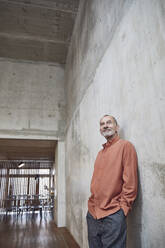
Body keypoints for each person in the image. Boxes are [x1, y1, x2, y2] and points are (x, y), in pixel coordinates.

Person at [87, 115, 138, 248]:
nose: (105, 125)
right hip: (93, 214)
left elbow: (130, 183)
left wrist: (122, 210)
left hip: (113, 214)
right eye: (102, 124)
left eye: (109, 122)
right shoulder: (100, 153)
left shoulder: (126, 146)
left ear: (117, 127)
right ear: (100, 130)